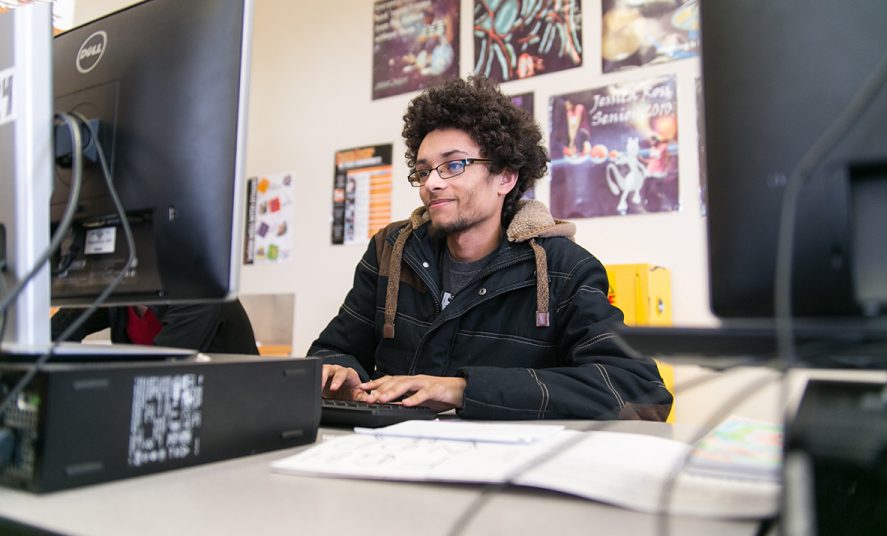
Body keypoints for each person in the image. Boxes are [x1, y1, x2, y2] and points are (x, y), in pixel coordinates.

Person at [308, 76, 671, 421]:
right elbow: (332, 351)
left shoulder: (565, 269)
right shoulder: (390, 250)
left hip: (503, 475)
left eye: (453, 165)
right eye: (423, 171)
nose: (431, 183)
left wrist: (465, 390)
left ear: (506, 177)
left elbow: (640, 391)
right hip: (386, 459)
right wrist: (337, 374)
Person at [51, 300, 259, 354]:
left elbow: (162, 371)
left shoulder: (198, 295)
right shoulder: (121, 298)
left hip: (236, 410)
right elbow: (55, 332)